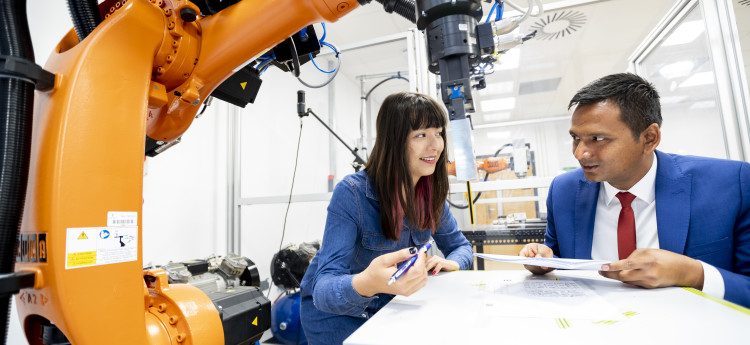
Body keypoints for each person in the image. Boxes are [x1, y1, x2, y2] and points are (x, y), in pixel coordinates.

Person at [520, 73, 750, 308]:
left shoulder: (732, 184)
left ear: (649, 138)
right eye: (576, 138)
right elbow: (559, 259)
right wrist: (545, 261)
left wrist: (694, 274)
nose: (580, 153)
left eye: (598, 138)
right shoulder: (564, 191)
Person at [299, 92, 474, 344]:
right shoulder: (353, 193)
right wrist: (368, 282)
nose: (435, 145)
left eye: (438, 132)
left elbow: (461, 246)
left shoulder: (429, 194)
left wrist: (453, 263)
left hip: (392, 306)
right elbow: (323, 290)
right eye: (420, 135)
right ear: (394, 142)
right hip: (335, 315)